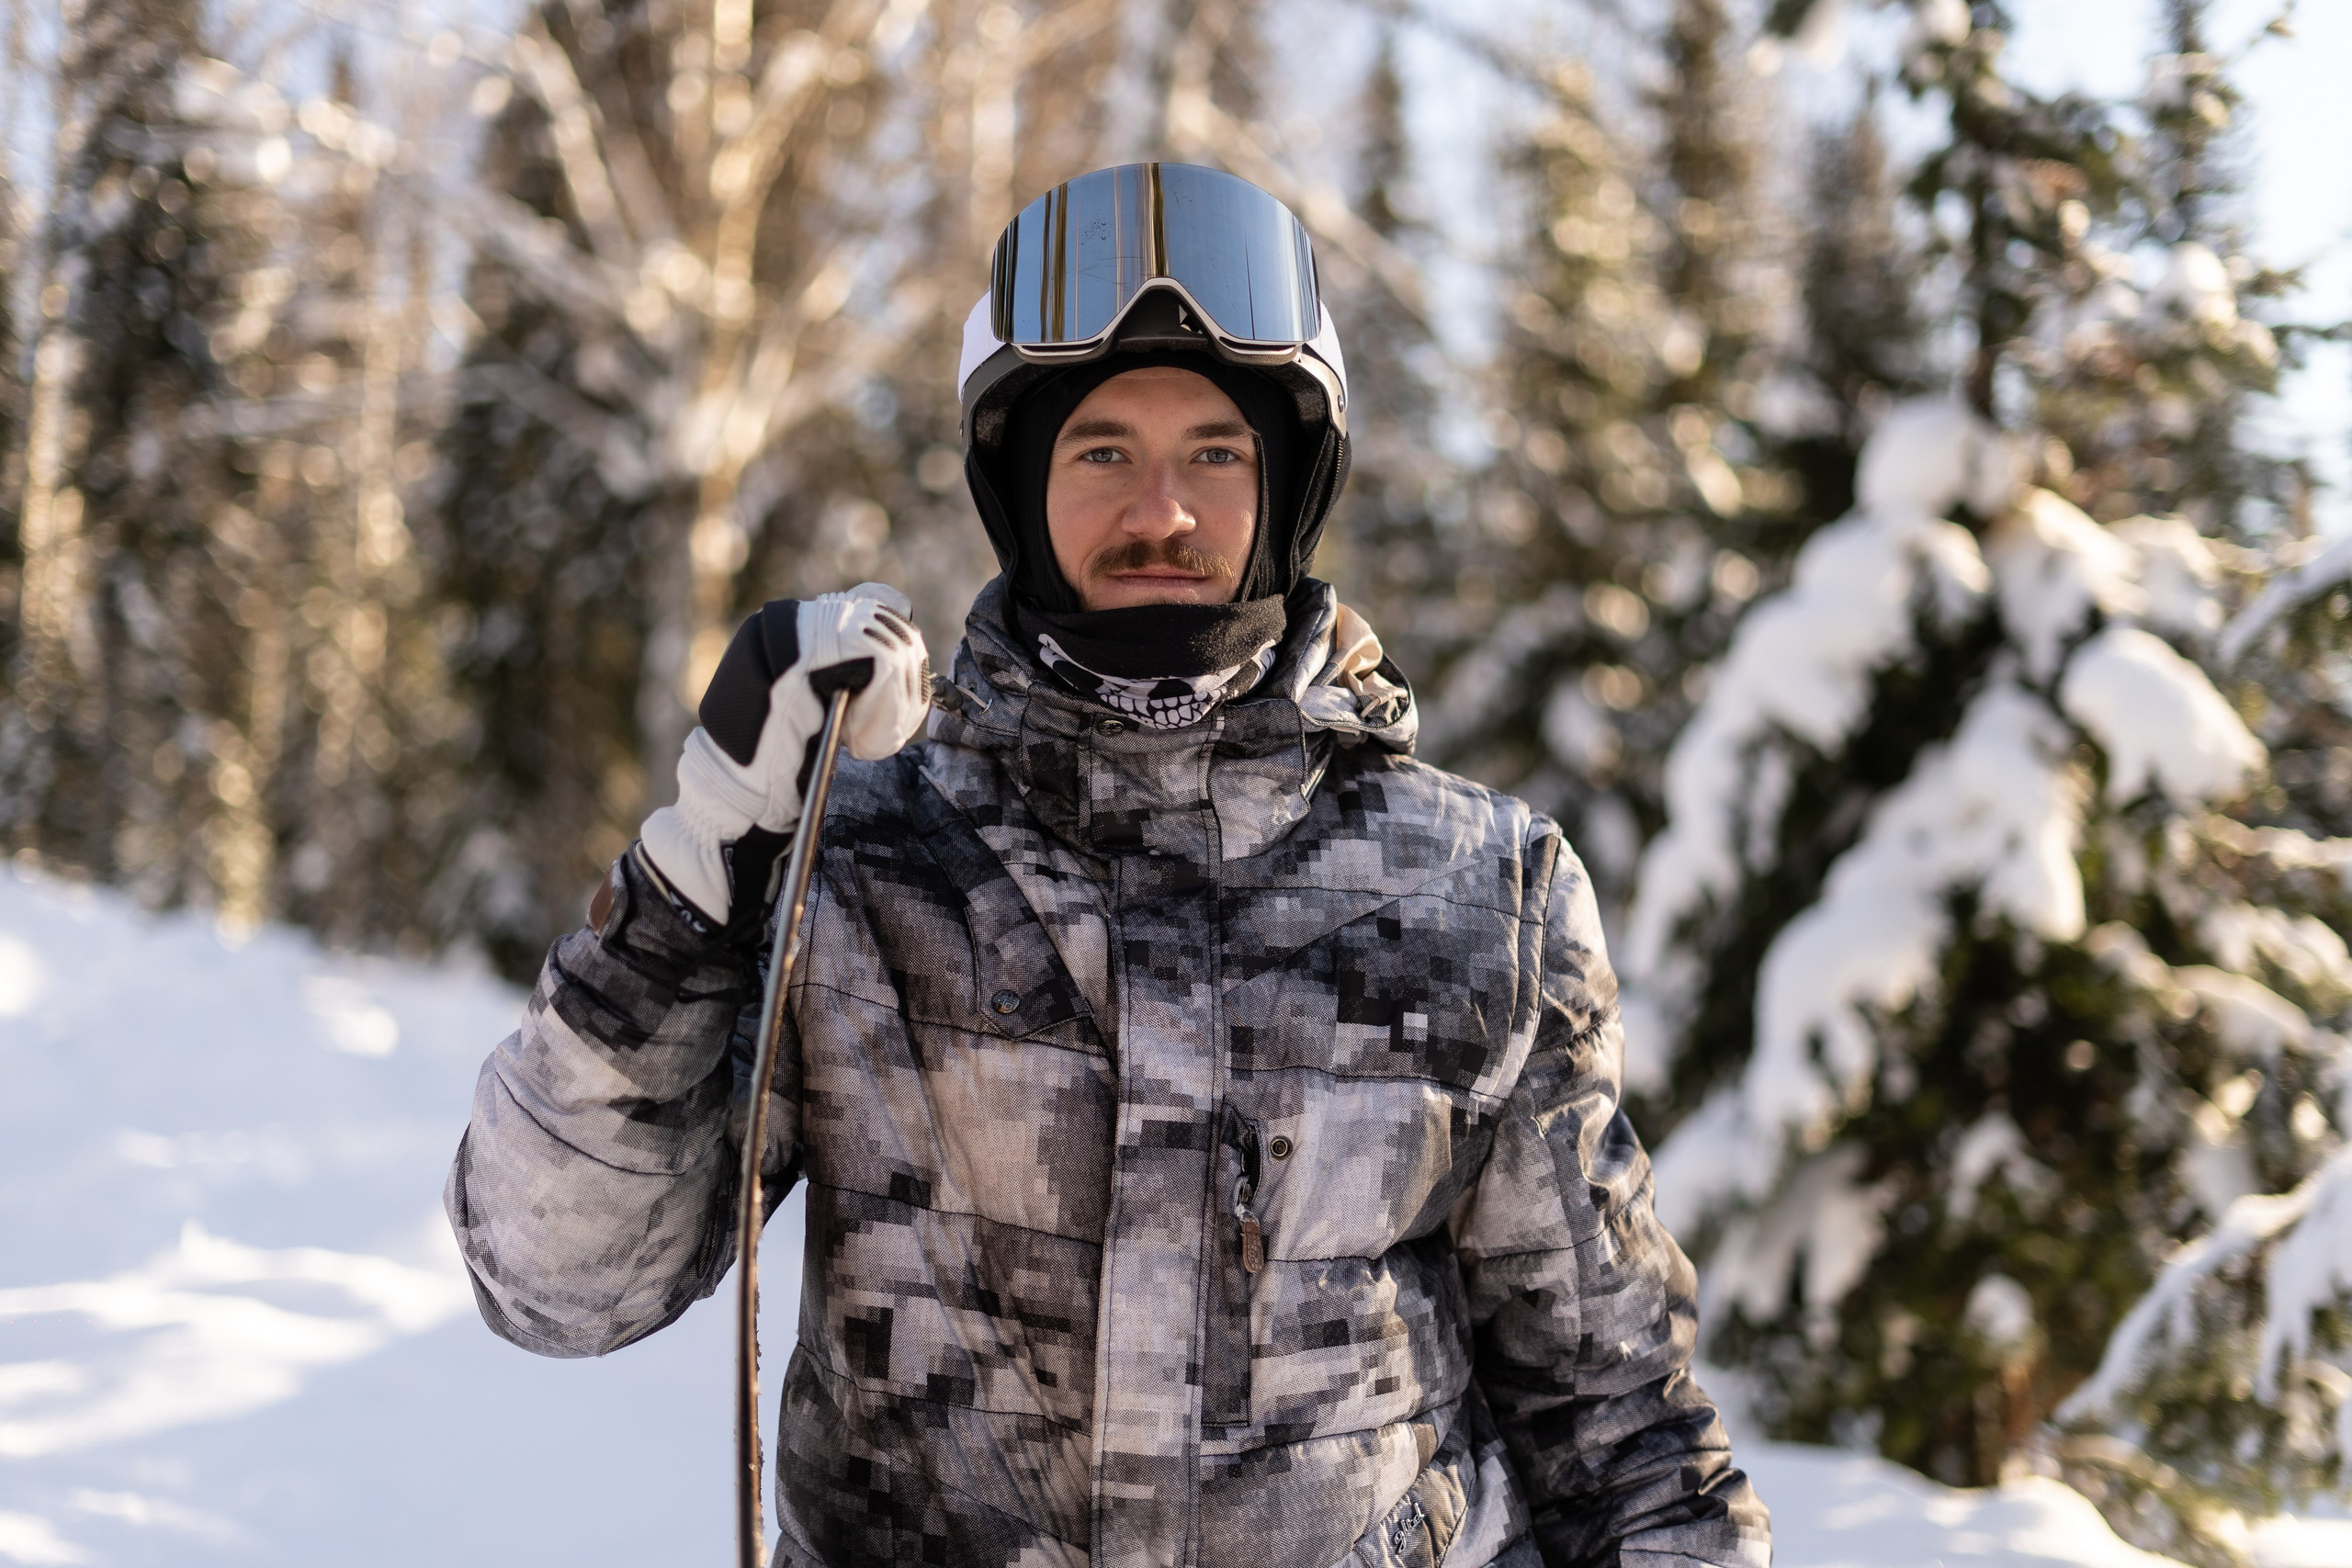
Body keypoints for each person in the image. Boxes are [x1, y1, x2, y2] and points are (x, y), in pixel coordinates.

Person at [446, 163, 1769, 1568]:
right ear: (1019, 489)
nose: (1164, 511)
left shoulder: (1477, 893)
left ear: (1287, 485)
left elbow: (1621, 1431)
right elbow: (556, 1277)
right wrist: (692, 869)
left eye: (1216, 451)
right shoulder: (868, 857)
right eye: (1101, 454)